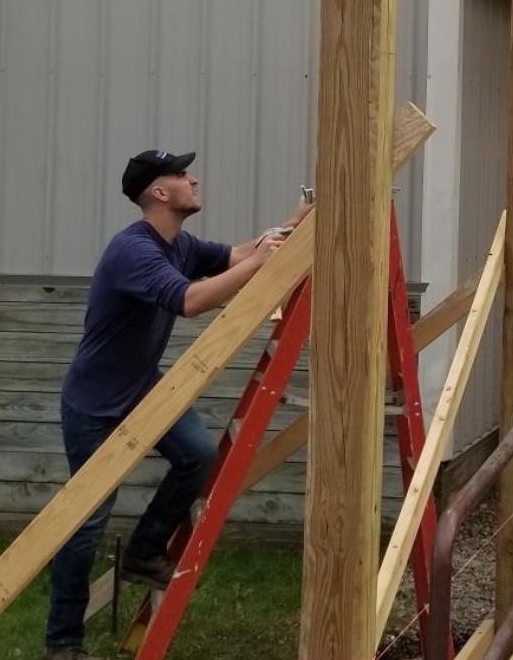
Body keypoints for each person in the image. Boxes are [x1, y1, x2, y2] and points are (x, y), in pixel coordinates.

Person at [44, 149, 311, 660]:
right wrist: (260, 261)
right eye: (182, 174)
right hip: (95, 403)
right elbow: (189, 302)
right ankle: (63, 642)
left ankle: (144, 552)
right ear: (160, 193)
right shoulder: (134, 251)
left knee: (196, 455)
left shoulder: (177, 243)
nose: (194, 178)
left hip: (141, 386)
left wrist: (290, 226)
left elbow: (235, 257)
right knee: (86, 523)